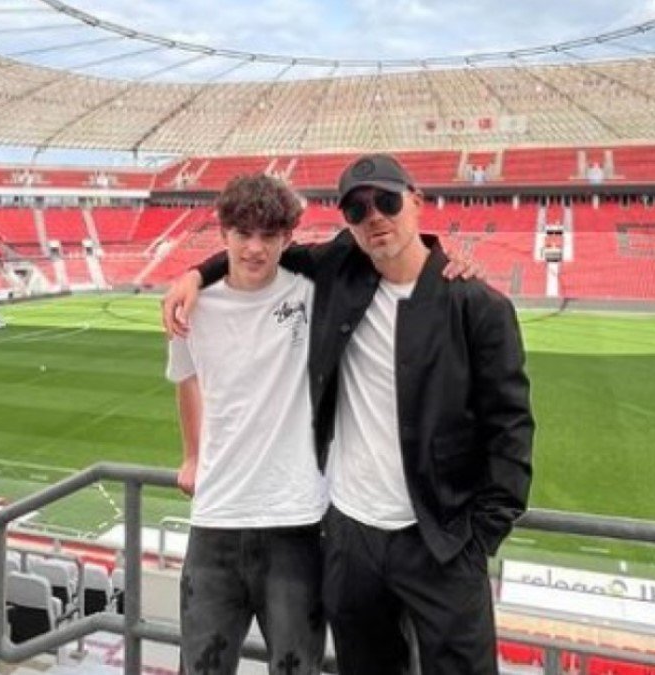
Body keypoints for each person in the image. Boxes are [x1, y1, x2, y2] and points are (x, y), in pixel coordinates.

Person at [164, 154, 535, 675]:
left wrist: (479, 541)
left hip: (442, 542)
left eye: (387, 201)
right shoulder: (342, 273)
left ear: (416, 202)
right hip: (352, 539)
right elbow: (258, 250)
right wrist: (195, 273)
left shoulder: (476, 304)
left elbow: (510, 430)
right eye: (358, 209)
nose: (374, 216)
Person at [166, 174, 326, 675]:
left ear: (287, 238)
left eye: (269, 235)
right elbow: (186, 379)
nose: (255, 248)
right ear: (224, 234)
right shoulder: (191, 307)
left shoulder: (312, 292)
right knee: (200, 668)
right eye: (243, 234)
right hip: (215, 520)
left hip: (295, 520)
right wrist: (192, 454)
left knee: (297, 668)